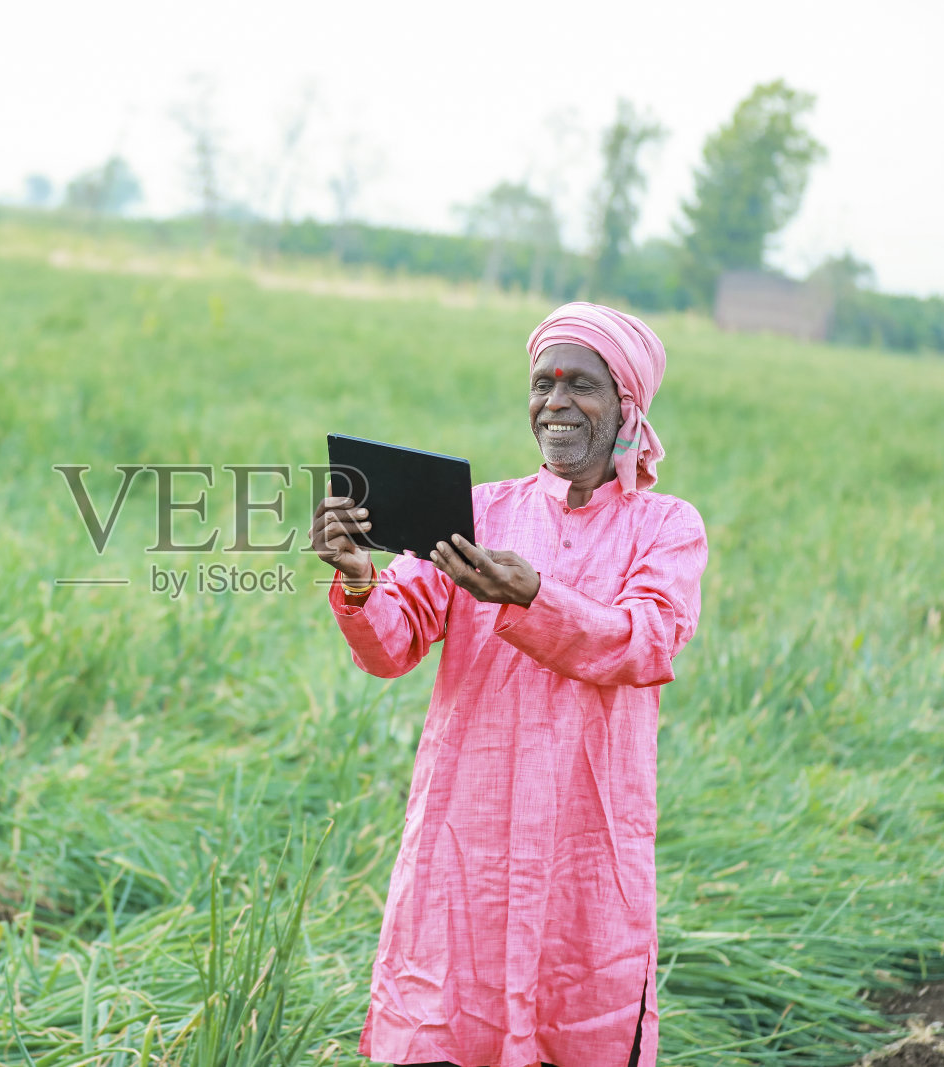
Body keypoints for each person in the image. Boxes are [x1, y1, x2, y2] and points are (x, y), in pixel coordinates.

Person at [311, 302, 708, 1067]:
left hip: (585, 841)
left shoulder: (667, 526)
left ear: (629, 404)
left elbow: (646, 640)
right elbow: (392, 645)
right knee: (447, 1022)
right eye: (542, 384)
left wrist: (534, 597)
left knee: (577, 1012)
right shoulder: (479, 512)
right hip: (467, 844)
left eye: (580, 384)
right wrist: (359, 578)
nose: (555, 402)